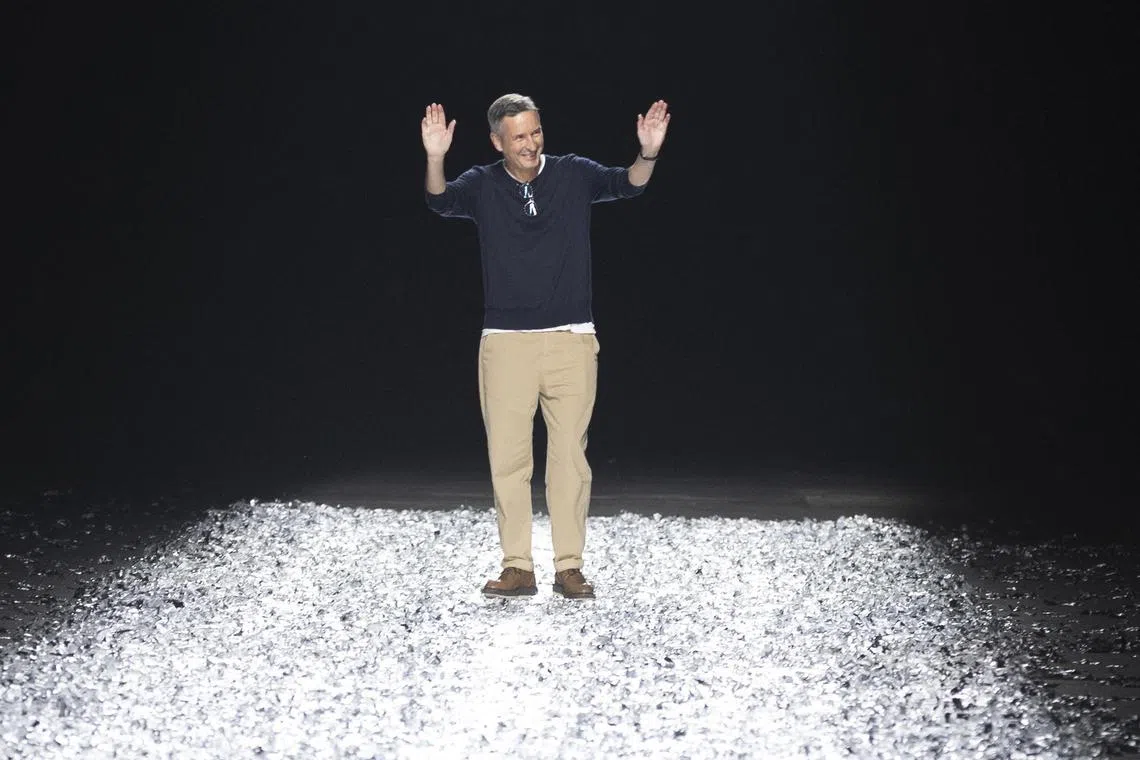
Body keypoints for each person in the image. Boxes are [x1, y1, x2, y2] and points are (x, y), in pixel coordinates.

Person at [421, 93, 670, 599]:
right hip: (506, 344)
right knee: (508, 461)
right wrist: (434, 157)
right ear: (497, 142)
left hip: (570, 340)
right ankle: (517, 567)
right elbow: (439, 200)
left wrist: (647, 154)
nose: (531, 144)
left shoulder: (573, 174)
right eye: (518, 137)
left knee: (569, 459)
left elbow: (626, 186)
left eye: (535, 132)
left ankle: (569, 566)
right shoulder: (482, 184)